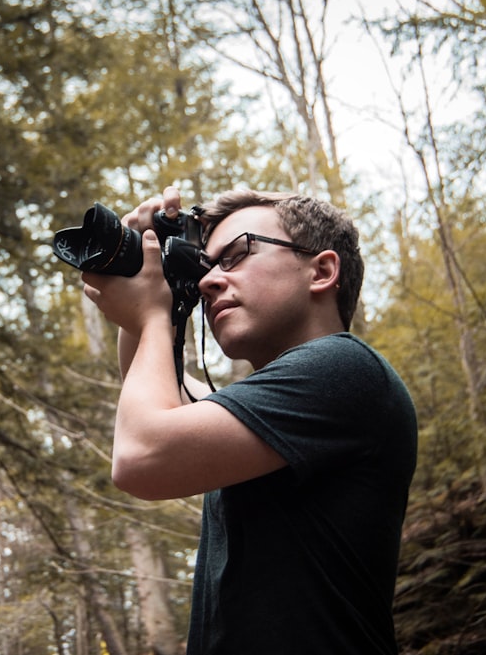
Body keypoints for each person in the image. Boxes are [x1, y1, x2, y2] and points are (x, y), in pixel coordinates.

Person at [81, 186, 418, 654]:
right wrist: (148, 282)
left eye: (237, 255)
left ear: (321, 271)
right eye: (206, 267)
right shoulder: (286, 403)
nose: (208, 282)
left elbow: (143, 453)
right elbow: (164, 404)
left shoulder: (345, 369)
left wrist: (153, 316)